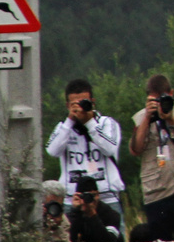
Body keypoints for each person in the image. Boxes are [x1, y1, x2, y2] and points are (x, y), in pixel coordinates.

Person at [129, 73, 174, 241]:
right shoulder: (141, 117)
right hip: (155, 191)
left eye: (162, 99)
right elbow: (136, 149)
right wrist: (147, 118)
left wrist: (172, 122)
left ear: (171, 94)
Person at [46, 78, 126, 213]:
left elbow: (109, 149)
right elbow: (52, 151)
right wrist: (70, 120)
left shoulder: (107, 123)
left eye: (84, 103)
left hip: (106, 197)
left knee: (112, 234)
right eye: (74, 104)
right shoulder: (64, 127)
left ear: (93, 102)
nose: (80, 108)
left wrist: (90, 123)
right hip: (73, 199)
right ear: (68, 106)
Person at [67, 175, 124, 242]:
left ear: (98, 194)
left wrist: (92, 215)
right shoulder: (72, 216)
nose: (92, 200)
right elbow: (71, 241)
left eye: (94, 195)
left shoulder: (110, 215)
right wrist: (76, 211)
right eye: (86, 196)